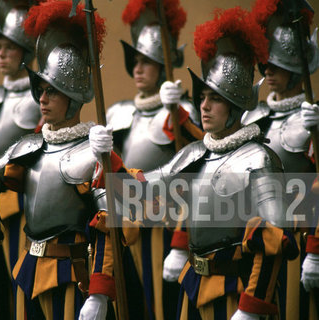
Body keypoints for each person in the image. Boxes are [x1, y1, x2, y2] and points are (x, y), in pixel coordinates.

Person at [94, 6, 299, 319]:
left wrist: (251, 307)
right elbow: (142, 188)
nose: (203, 105)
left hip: (237, 290)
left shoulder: (259, 159)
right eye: (202, 96)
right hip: (193, 287)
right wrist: (108, 158)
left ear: (234, 105)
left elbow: (271, 241)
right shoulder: (193, 154)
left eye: (214, 98)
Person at [0, 1, 129, 319]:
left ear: (72, 99)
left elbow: (116, 219)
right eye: (40, 89)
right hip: (28, 270)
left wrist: (98, 291)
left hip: (73, 277)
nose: (41, 97)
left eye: (51, 91)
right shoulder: (26, 148)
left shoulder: (92, 153)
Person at [106, 0, 201, 318]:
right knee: (133, 305)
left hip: (167, 224)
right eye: (135, 60)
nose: (137, 68)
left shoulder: (180, 112)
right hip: (126, 225)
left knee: (167, 307)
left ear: (163, 65)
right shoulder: (119, 114)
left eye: (146, 61)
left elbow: (198, 161)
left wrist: (181, 113)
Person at [243, 1, 319, 318]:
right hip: (260, 244)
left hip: (302, 241)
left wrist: (316, 251)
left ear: (295, 69)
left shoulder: (312, 120)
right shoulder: (252, 117)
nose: (268, 72)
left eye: (277, 66)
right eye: (265, 65)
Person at [0, 1, 41, 317]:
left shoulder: (41, 96)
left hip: (29, 200)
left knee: (22, 281)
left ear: (26, 49)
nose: (0, 53)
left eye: (9, 47)